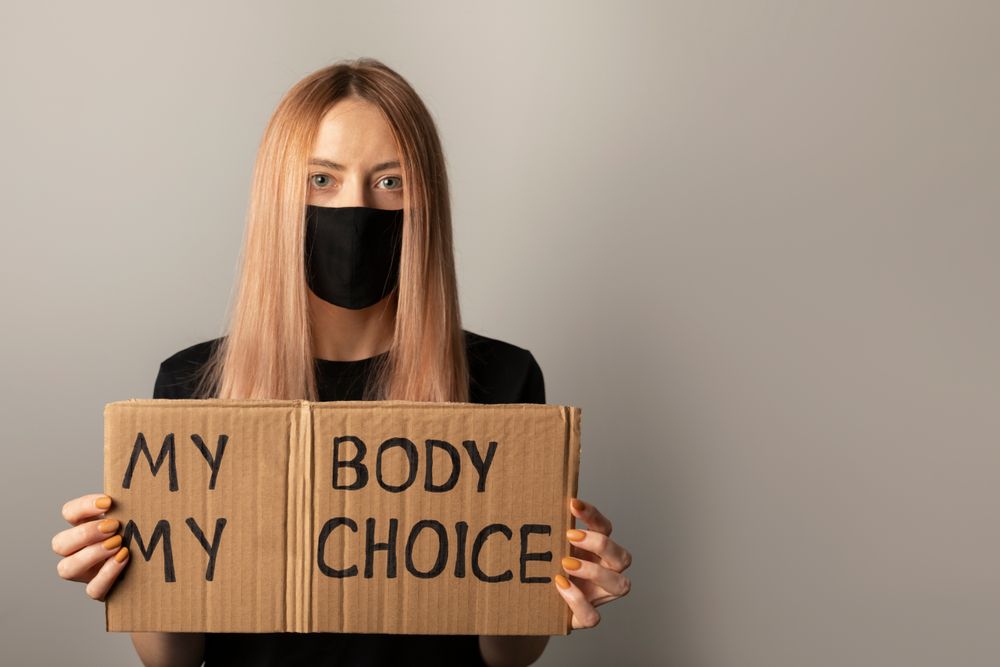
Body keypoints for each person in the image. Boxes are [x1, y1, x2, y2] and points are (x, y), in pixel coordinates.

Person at [51, 58, 632, 667]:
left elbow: (507, 653)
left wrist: (560, 585)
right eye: (321, 180)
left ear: (426, 203)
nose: (355, 209)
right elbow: (172, 657)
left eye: (390, 181)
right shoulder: (193, 385)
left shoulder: (501, 379)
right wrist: (128, 572)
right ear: (278, 197)